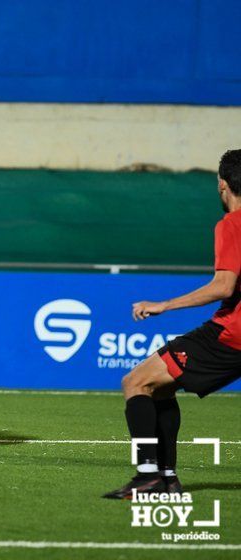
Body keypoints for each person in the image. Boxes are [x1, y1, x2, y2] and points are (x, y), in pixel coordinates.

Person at [103, 149, 241, 499]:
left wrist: (164, 305)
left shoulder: (231, 225)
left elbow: (223, 286)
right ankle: (167, 478)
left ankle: (148, 477)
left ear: (222, 184)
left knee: (135, 382)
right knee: (161, 387)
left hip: (231, 334)